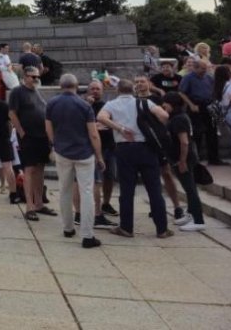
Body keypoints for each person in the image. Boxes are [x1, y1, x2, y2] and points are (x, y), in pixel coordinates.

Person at [96, 79, 174, 239]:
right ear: (133, 90)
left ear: (117, 90)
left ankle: (126, 227)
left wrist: (120, 128)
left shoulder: (111, 104)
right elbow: (164, 115)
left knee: (126, 190)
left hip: (124, 148)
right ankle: (162, 229)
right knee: (154, 189)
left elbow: (101, 117)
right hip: (146, 147)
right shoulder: (144, 102)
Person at [45, 74, 104, 248]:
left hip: (62, 152)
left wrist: (55, 144)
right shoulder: (84, 105)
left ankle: (68, 227)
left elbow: (48, 128)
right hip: (84, 153)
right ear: (77, 86)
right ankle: (87, 235)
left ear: (60, 86)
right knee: (87, 192)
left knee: (65, 189)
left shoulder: (52, 103)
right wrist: (99, 156)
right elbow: (93, 134)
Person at [134, 74, 185, 223]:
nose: (139, 84)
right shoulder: (133, 101)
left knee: (166, 173)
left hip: (158, 141)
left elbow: (165, 117)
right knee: (149, 176)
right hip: (142, 142)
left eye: (142, 81)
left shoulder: (157, 100)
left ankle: (177, 206)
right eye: (137, 82)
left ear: (149, 83)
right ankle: (155, 205)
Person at [8, 67, 55, 221]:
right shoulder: (17, 92)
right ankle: (29, 207)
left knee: (40, 169)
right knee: (29, 170)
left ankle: (39, 203)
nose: (36, 79)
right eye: (33, 76)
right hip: (29, 137)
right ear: (25, 76)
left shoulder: (37, 92)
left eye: (37, 76)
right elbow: (12, 113)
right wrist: (21, 132)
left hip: (42, 137)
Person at [163, 92, 206, 232]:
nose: (163, 106)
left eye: (165, 103)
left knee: (190, 189)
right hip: (181, 158)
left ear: (172, 104)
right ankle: (191, 214)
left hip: (184, 159)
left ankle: (198, 220)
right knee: (188, 188)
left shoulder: (179, 120)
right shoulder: (178, 117)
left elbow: (184, 142)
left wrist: (182, 161)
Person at [86, 80, 118, 217]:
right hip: (92, 148)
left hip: (109, 146)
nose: (95, 91)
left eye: (97, 89)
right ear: (88, 90)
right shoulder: (84, 106)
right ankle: (95, 208)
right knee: (96, 179)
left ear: (102, 91)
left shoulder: (107, 106)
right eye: (92, 88)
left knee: (110, 176)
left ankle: (106, 203)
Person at [180, 59, 221, 165]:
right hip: (196, 105)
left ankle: (214, 159)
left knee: (212, 132)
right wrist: (191, 105)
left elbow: (214, 89)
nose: (204, 71)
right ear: (195, 68)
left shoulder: (208, 77)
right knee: (197, 133)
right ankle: (196, 159)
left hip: (209, 105)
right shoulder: (188, 78)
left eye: (205, 68)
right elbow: (182, 93)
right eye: (202, 69)